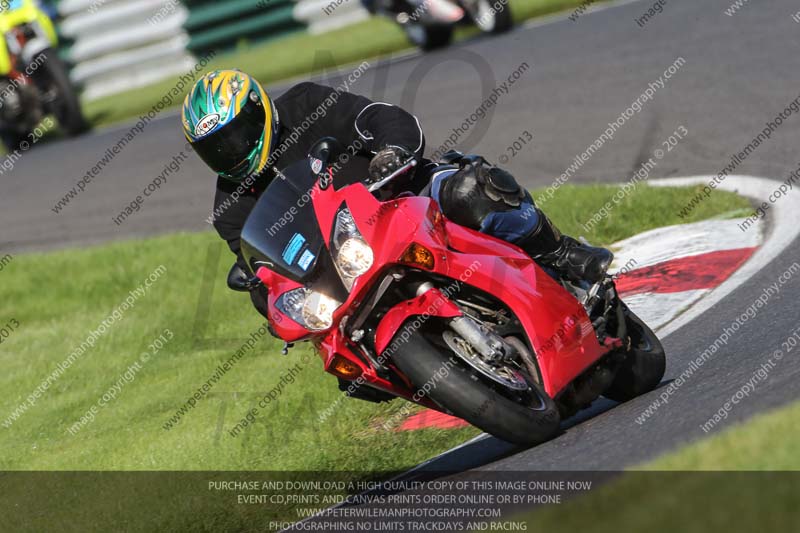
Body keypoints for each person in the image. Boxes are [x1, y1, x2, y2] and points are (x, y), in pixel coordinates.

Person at [182, 70, 612, 318]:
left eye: (236, 135)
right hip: (347, 267)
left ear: (258, 110)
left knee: (471, 190)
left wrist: (391, 151)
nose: (232, 151)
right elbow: (260, 270)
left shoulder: (305, 104)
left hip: (402, 197)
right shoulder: (229, 205)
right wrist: (268, 296)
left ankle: (561, 253)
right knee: (345, 362)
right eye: (216, 147)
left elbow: (380, 116)